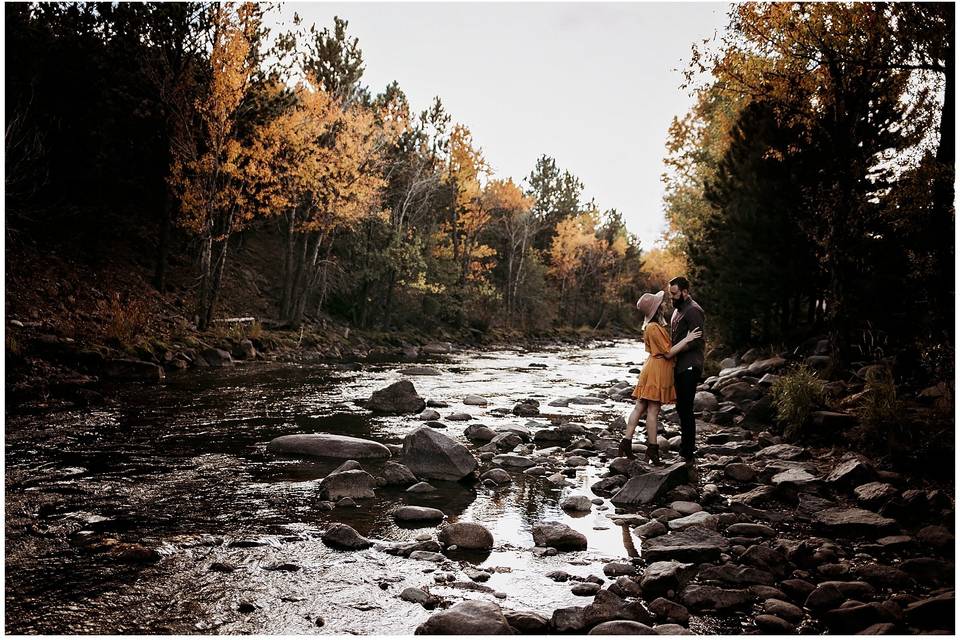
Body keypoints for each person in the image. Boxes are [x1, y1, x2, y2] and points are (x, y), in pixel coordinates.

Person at [619, 290, 702, 464]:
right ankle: (652, 449)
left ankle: (626, 443)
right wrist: (688, 339)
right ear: (656, 308)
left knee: (640, 406)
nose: (663, 303)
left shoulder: (650, 326)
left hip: (651, 367)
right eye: (660, 303)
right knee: (653, 410)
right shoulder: (654, 327)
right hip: (656, 370)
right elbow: (668, 353)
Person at [668, 276, 706, 466]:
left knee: (686, 408)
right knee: (681, 408)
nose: (672, 298)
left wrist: (672, 352)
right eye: (670, 294)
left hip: (690, 366)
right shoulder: (678, 310)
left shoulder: (693, 311)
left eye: (674, 294)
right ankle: (686, 449)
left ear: (684, 292)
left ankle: (687, 453)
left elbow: (696, 340)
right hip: (679, 365)